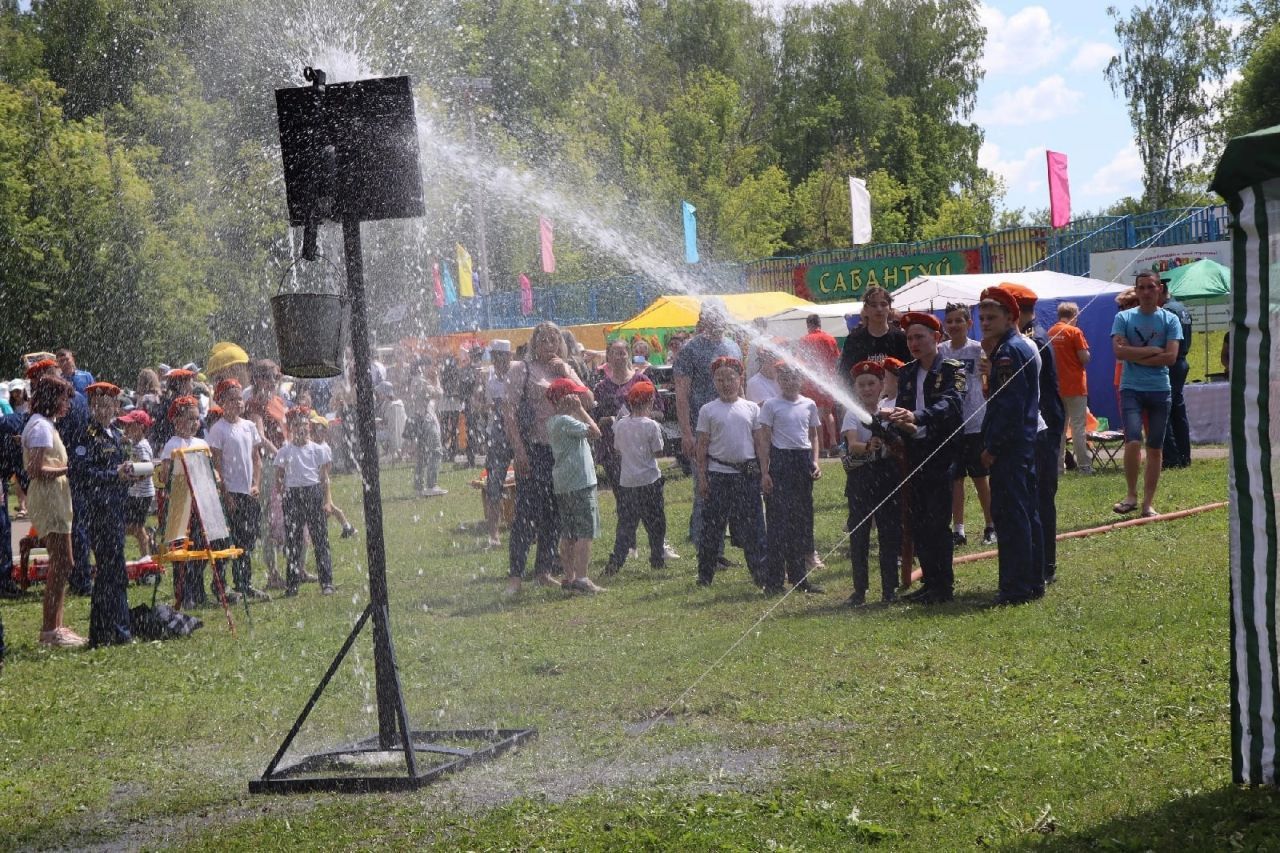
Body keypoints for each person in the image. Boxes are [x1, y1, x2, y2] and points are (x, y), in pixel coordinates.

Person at [503, 322, 595, 596]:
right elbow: (508, 412)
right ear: (534, 343)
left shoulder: (563, 368)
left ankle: (543, 570)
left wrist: (565, 371)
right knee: (526, 513)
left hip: (563, 450)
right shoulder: (522, 369)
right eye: (544, 340)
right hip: (535, 447)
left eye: (555, 340)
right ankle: (515, 577)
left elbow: (589, 400)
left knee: (555, 512)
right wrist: (518, 450)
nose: (550, 345)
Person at [885, 312, 965, 604]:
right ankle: (929, 581)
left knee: (937, 521)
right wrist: (893, 422)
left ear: (937, 338)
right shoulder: (906, 372)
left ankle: (943, 586)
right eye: (909, 338)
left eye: (920, 337)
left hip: (941, 453)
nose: (914, 343)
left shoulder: (953, 368)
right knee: (917, 521)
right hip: (913, 454)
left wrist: (917, 417)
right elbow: (902, 408)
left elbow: (951, 405)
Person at [977, 287, 1044, 606]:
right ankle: (1032, 581)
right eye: (982, 318)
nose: (985, 323)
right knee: (1026, 513)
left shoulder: (1007, 352)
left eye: (992, 317)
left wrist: (993, 446)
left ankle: (1015, 588)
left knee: (1011, 515)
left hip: (1010, 447)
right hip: (1022, 445)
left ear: (1010, 317)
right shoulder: (1014, 346)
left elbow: (1009, 406)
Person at [1003, 283, 1065, 586]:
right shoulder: (1027, 337)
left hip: (1041, 430)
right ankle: (1038, 564)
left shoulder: (1030, 341)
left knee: (1040, 499)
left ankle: (1044, 566)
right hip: (1040, 427)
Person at [675, 299, 742, 565]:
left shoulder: (733, 345)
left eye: (720, 314)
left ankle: (717, 550)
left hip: (731, 427)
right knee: (704, 489)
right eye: (711, 315)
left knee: (726, 489)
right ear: (703, 318)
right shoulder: (690, 350)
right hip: (702, 430)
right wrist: (686, 433)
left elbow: (741, 386)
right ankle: (706, 550)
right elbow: (681, 394)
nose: (716, 319)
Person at [693, 356, 769, 590]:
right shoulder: (708, 410)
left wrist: (764, 472)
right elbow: (702, 446)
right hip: (719, 475)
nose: (726, 383)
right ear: (714, 382)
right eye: (720, 379)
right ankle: (705, 575)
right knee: (712, 527)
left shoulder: (752, 408)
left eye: (731, 378)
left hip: (746, 475)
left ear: (740, 379)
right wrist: (703, 477)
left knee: (753, 526)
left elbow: (759, 443)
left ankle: (761, 573)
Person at [68, 382, 134, 647]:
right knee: (108, 569)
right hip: (99, 510)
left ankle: (116, 627)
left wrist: (129, 474)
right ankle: (106, 631)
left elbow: (117, 470)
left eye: (110, 405)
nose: (105, 410)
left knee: (116, 569)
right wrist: (112, 475)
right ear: (92, 407)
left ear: (117, 407)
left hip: (116, 507)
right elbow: (82, 474)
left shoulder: (116, 434)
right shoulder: (87, 435)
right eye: (100, 405)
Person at [23, 376, 87, 647]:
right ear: (51, 399)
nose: (67, 405)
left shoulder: (46, 425)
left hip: (56, 496)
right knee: (63, 562)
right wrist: (68, 470)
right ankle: (50, 630)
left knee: (62, 562)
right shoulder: (40, 427)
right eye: (63, 399)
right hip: (48, 497)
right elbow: (35, 470)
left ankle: (56, 626)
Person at [1112, 270, 1181, 517]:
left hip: (1160, 390)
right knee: (1132, 440)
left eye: (1151, 287)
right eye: (1141, 288)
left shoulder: (1170, 320)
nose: (1146, 292)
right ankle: (1131, 494)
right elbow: (1119, 353)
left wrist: (1135, 353)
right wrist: (1152, 350)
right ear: (1136, 290)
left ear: (1159, 289)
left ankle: (1147, 504)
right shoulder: (1124, 318)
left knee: (1155, 447)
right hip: (1131, 388)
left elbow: (1171, 357)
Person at [758, 363, 823, 594]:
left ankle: (799, 578)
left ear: (801, 380)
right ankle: (774, 581)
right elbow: (764, 439)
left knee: (800, 521)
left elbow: (813, 435)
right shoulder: (771, 405)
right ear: (778, 380)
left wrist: (815, 461)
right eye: (783, 378)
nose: (788, 382)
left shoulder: (809, 404)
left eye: (793, 378)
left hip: (802, 462)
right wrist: (765, 471)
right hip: (781, 462)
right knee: (778, 524)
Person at [841, 361, 902, 606]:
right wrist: (869, 445)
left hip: (886, 475)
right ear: (855, 388)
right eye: (861, 384)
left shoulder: (889, 412)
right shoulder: (852, 413)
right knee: (860, 535)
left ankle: (890, 588)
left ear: (881, 386)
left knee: (889, 534)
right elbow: (852, 443)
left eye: (871, 383)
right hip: (861, 477)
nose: (867, 389)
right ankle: (860, 590)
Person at [207, 378, 271, 602]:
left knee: (247, 539)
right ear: (223, 402)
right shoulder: (218, 430)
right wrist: (225, 494)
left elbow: (257, 458)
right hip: (230, 492)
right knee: (227, 540)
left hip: (248, 491)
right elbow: (217, 466)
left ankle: (244, 582)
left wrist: (256, 484)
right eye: (232, 399)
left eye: (239, 398)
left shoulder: (249, 426)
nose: (238, 403)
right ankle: (220, 584)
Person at [939, 302, 995, 547]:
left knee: (981, 477)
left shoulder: (978, 349)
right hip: (951, 424)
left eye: (958, 321)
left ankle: (991, 525)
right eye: (949, 321)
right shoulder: (941, 351)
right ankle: (958, 529)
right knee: (955, 479)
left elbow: (989, 377)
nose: (953, 325)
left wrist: (989, 369)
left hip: (976, 420)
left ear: (968, 324)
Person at [544, 377, 606, 594]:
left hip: (564, 484)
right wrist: (580, 410)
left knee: (568, 533)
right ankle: (582, 577)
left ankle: (569, 577)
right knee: (584, 531)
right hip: (580, 482)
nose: (579, 398)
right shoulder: (567, 421)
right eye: (575, 396)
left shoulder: (552, 422)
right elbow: (596, 432)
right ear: (566, 399)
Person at [604, 381, 668, 575]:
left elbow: (617, 450)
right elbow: (658, 452)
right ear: (649, 402)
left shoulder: (621, 425)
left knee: (625, 524)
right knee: (656, 523)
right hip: (649, 480)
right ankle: (657, 557)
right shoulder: (651, 426)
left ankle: (616, 561)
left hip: (627, 481)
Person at [275, 406, 336, 596]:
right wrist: (282, 491)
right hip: (293, 496)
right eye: (297, 425)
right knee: (293, 541)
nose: (302, 429)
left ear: (309, 427)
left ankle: (326, 581)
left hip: (313, 492)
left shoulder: (318, 450)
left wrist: (327, 501)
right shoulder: (285, 451)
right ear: (291, 428)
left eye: (304, 425)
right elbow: (279, 475)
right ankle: (292, 584)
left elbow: (325, 478)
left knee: (320, 538)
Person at [158, 396, 212, 608]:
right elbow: (164, 475)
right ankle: (183, 593)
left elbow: (208, 470)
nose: (194, 423)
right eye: (190, 418)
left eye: (197, 419)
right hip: (181, 504)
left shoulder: (201, 443)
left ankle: (198, 591)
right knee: (181, 549)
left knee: (200, 547)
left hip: (200, 503)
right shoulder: (172, 444)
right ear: (177, 420)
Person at [244, 359, 287, 590]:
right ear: (259, 378)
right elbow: (260, 436)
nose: (274, 381)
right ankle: (273, 573)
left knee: (289, 514)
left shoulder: (278, 400)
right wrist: (280, 454)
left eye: (277, 377)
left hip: (285, 461)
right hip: (270, 463)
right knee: (269, 518)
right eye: (271, 376)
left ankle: (296, 567)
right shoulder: (254, 404)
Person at [593, 339, 648, 491]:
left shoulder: (641, 381)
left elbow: (657, 412)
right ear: (608, 357)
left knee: (645, 495)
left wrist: (633, 418)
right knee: (623, 497)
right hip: (613, 450)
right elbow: (594, 420)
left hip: (639, 446)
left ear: (629, 355)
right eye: (614, 354)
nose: (619, 357)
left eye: (622, 353)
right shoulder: (601, 388)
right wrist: (607, 420)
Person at [1048, 302, 1093, 475]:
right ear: (1075, 314)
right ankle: (1084, 466)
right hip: (1075, 386)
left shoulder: (1050, 332)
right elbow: (1084, 357)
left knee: (1059, 430)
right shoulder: (1075, 332)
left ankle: (1059, 468)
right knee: (1078, 428)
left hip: (1057, 387)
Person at [482, 341, 513, 547]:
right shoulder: (491, 382)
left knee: (528, 481)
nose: (497, 360)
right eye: (495, 357)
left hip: (520, 431)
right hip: (499, 433)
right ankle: (493, 533)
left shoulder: (518, 376)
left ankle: (528, 526)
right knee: (494, 482)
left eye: (501, 356)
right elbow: (486, 406)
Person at [1159, 278, 1193, 468]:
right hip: (1181, 360)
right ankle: (1184, 455)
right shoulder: (1182, 308)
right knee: (1178, 411)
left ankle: (1172, 457)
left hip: (1171, 361)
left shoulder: (1167, 312)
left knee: (1165, 410)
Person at [307, 413, 356, 538]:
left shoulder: (324, 448)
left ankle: (347, 527)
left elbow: (328, 467)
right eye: (313, 427)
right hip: (315, 481)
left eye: (316, 428)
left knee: (329, 506)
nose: (312, 430)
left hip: (322, 482)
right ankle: (347, 527)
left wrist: (322, 479)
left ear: (324, 432)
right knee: (329, 506)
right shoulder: (313, 445)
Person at [796, 314, 841, 450]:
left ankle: (820, 447)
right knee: (828, 413)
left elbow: (800, 362)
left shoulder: (804, 340)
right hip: (828, 381)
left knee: (815, 414)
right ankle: (833, 443)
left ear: (808, 325)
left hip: (811, 382)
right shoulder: (830, 339)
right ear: (820, 324)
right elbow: (836, 360)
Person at [118, 409, 156, 559]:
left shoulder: (142, 446)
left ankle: (147, 549)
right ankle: (145, 551)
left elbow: (148, 469)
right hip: (136, 493)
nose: (126, 429)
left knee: (133, 527)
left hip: (142, 493)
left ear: (141, 427)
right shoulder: (135, 444)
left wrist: (132, 478)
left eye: (130, 426)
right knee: (135, 526)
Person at [406, 357, 446, 498]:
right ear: (423, 367)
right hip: (426, 420)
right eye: (430, 365)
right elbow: (438, 394)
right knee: (436, 451)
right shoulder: (422, 381)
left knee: (421, 454)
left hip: (418, 420)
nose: (433, 369)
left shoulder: (415, 381)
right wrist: (436, 379)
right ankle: (431, 485)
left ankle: (418, 486)